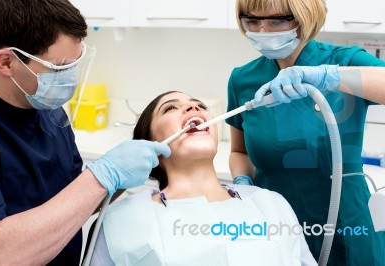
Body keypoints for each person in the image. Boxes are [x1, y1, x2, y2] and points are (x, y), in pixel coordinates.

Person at [0, 0, 169, 265]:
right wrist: (102, 175)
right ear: (6, 62)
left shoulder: (49, 109)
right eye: (59, 67)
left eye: (75, 63)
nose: (69, 78)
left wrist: (117, 179)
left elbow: (73, 205)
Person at [226, 0, 385, 265]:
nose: (262, 31)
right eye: (252, 22)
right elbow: (238, 151)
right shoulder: (243, 79)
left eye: (276, 21)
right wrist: (242, 183)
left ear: (304, 18)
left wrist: (330, 76)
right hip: (276, 222)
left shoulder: (344, 61)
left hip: (345, 221)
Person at [86, 91, 318, 266]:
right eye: (170, 109)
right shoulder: (121, 219)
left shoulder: (271, 204)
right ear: (150, 144)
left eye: (199, 105)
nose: (192, 108)